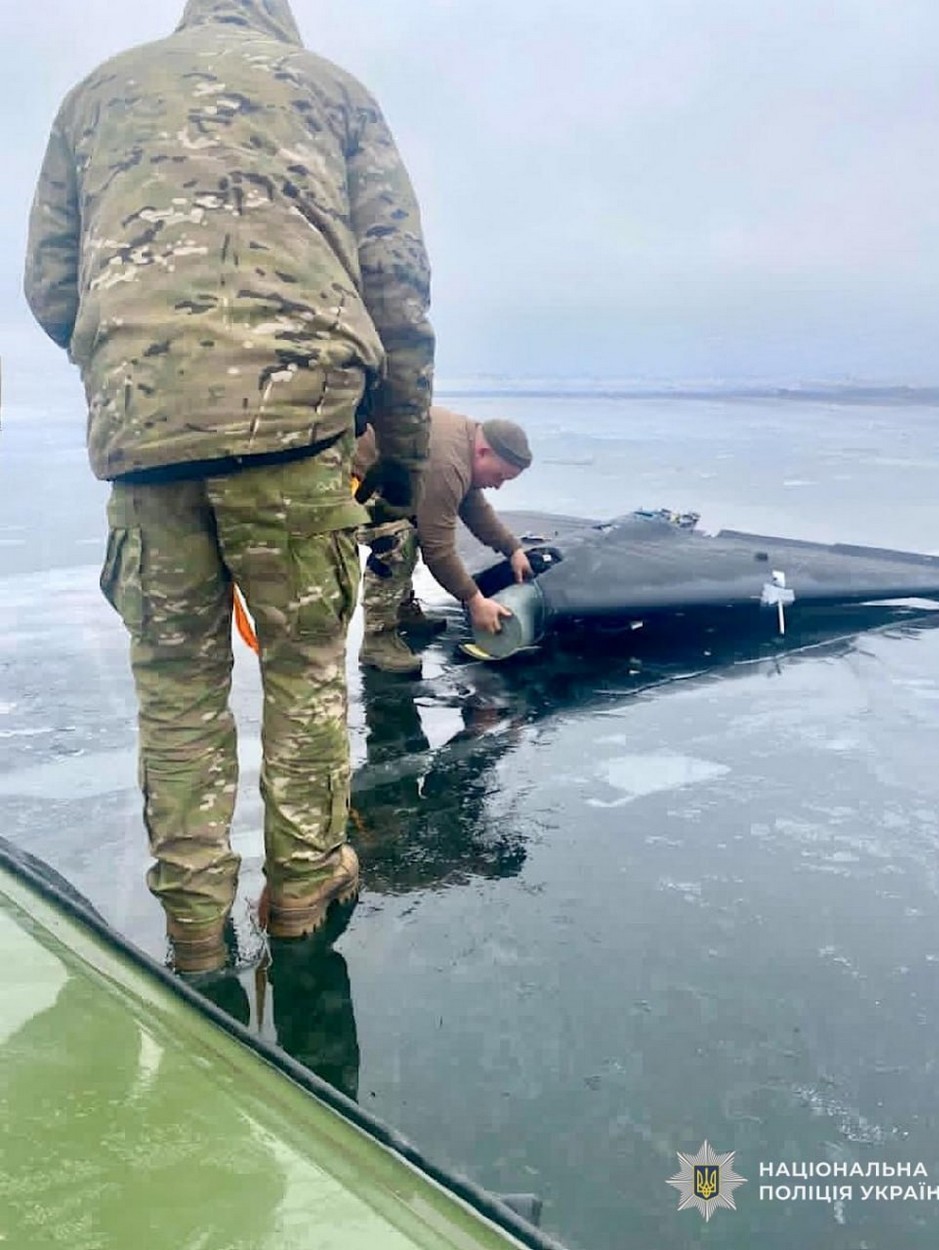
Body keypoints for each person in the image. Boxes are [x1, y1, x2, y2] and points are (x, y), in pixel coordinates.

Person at [23, 0, 434, 974]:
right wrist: (403, 450)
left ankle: (196, 931)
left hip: (146, 445)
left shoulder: (93, 98)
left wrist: (141, 379)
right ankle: (297, 894)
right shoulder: (334, 93)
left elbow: (49, 285)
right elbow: (398, 289)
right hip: (296, 437)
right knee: (303, 671)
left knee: (175, 690)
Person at [355, 406, 533, 673]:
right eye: (499, 476)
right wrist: (475, 602)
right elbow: (437, 550)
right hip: (344, 483)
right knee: (396, 537)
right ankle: (378, 641)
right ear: (484, 452)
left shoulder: (467, 443)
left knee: (414, 516)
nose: (498, 485)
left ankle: (402, 611)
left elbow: (474, 507)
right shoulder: (448, 464)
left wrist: (513, 549)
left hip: (381, 479)